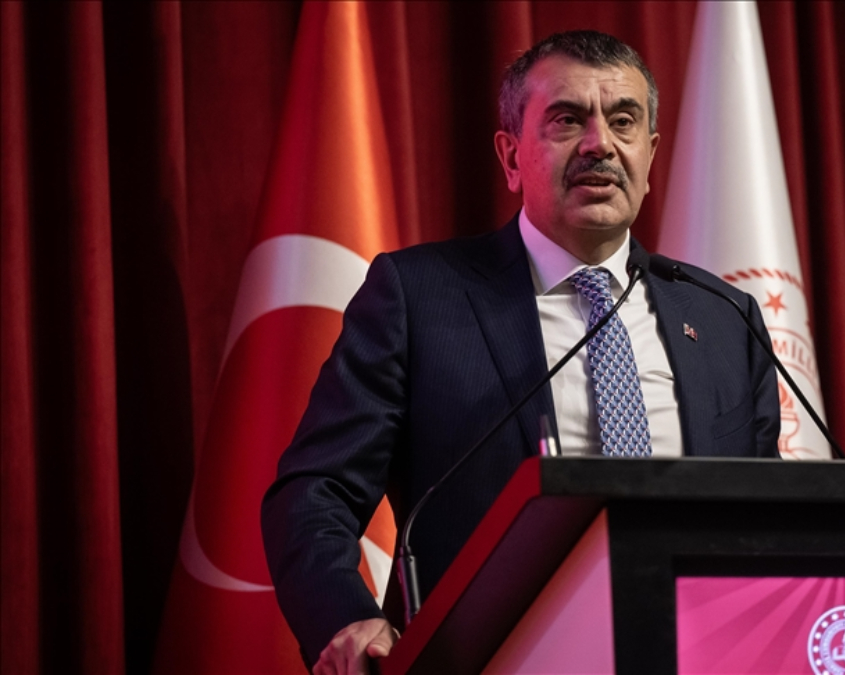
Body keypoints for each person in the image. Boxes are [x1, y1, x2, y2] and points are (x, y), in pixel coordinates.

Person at [261, 30, 781, 674]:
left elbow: (767, 516)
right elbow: (315, 490)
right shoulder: (420, 297)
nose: (599, 144)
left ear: (650, 154)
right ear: (510, 157)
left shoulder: (725, 316)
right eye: (567, 120)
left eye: (623, 121)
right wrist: (345, 619)